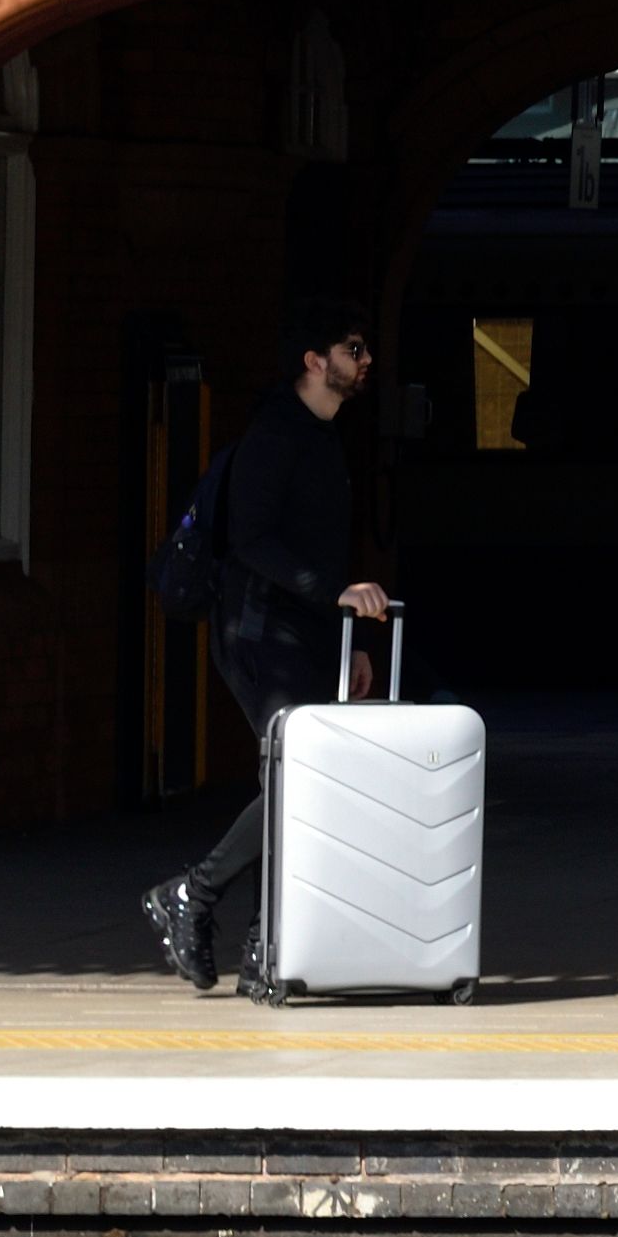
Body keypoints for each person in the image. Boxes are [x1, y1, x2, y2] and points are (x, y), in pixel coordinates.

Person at [145, 315, 405, 991]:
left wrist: (350, 638)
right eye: (355, 348)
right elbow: (250, 540)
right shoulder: (274, 437)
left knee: (294, 783)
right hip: (257, 633)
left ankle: (263, 944)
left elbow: (322, 551)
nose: (366, 358)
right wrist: (336, 594)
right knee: (300, 777)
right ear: (315, 360)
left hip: (307, 634)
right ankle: (196, 898)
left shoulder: (324, 439)